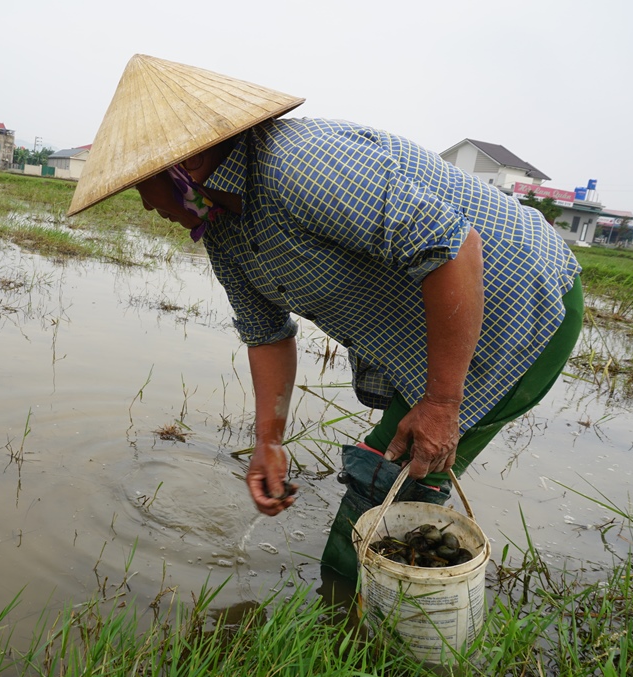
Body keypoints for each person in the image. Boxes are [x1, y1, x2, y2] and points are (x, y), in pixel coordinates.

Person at [68, 55, 582, 580]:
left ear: (187, 165)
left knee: (387, 481)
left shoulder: (299, 166)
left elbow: (454, 251)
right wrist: (269, 442)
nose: (145, 203)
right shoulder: (223, 230)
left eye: (141, 183)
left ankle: (345, 622)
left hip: (519, 305)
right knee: (394, 475)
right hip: (443, 326)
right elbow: (266, 335)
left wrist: (443, 402)